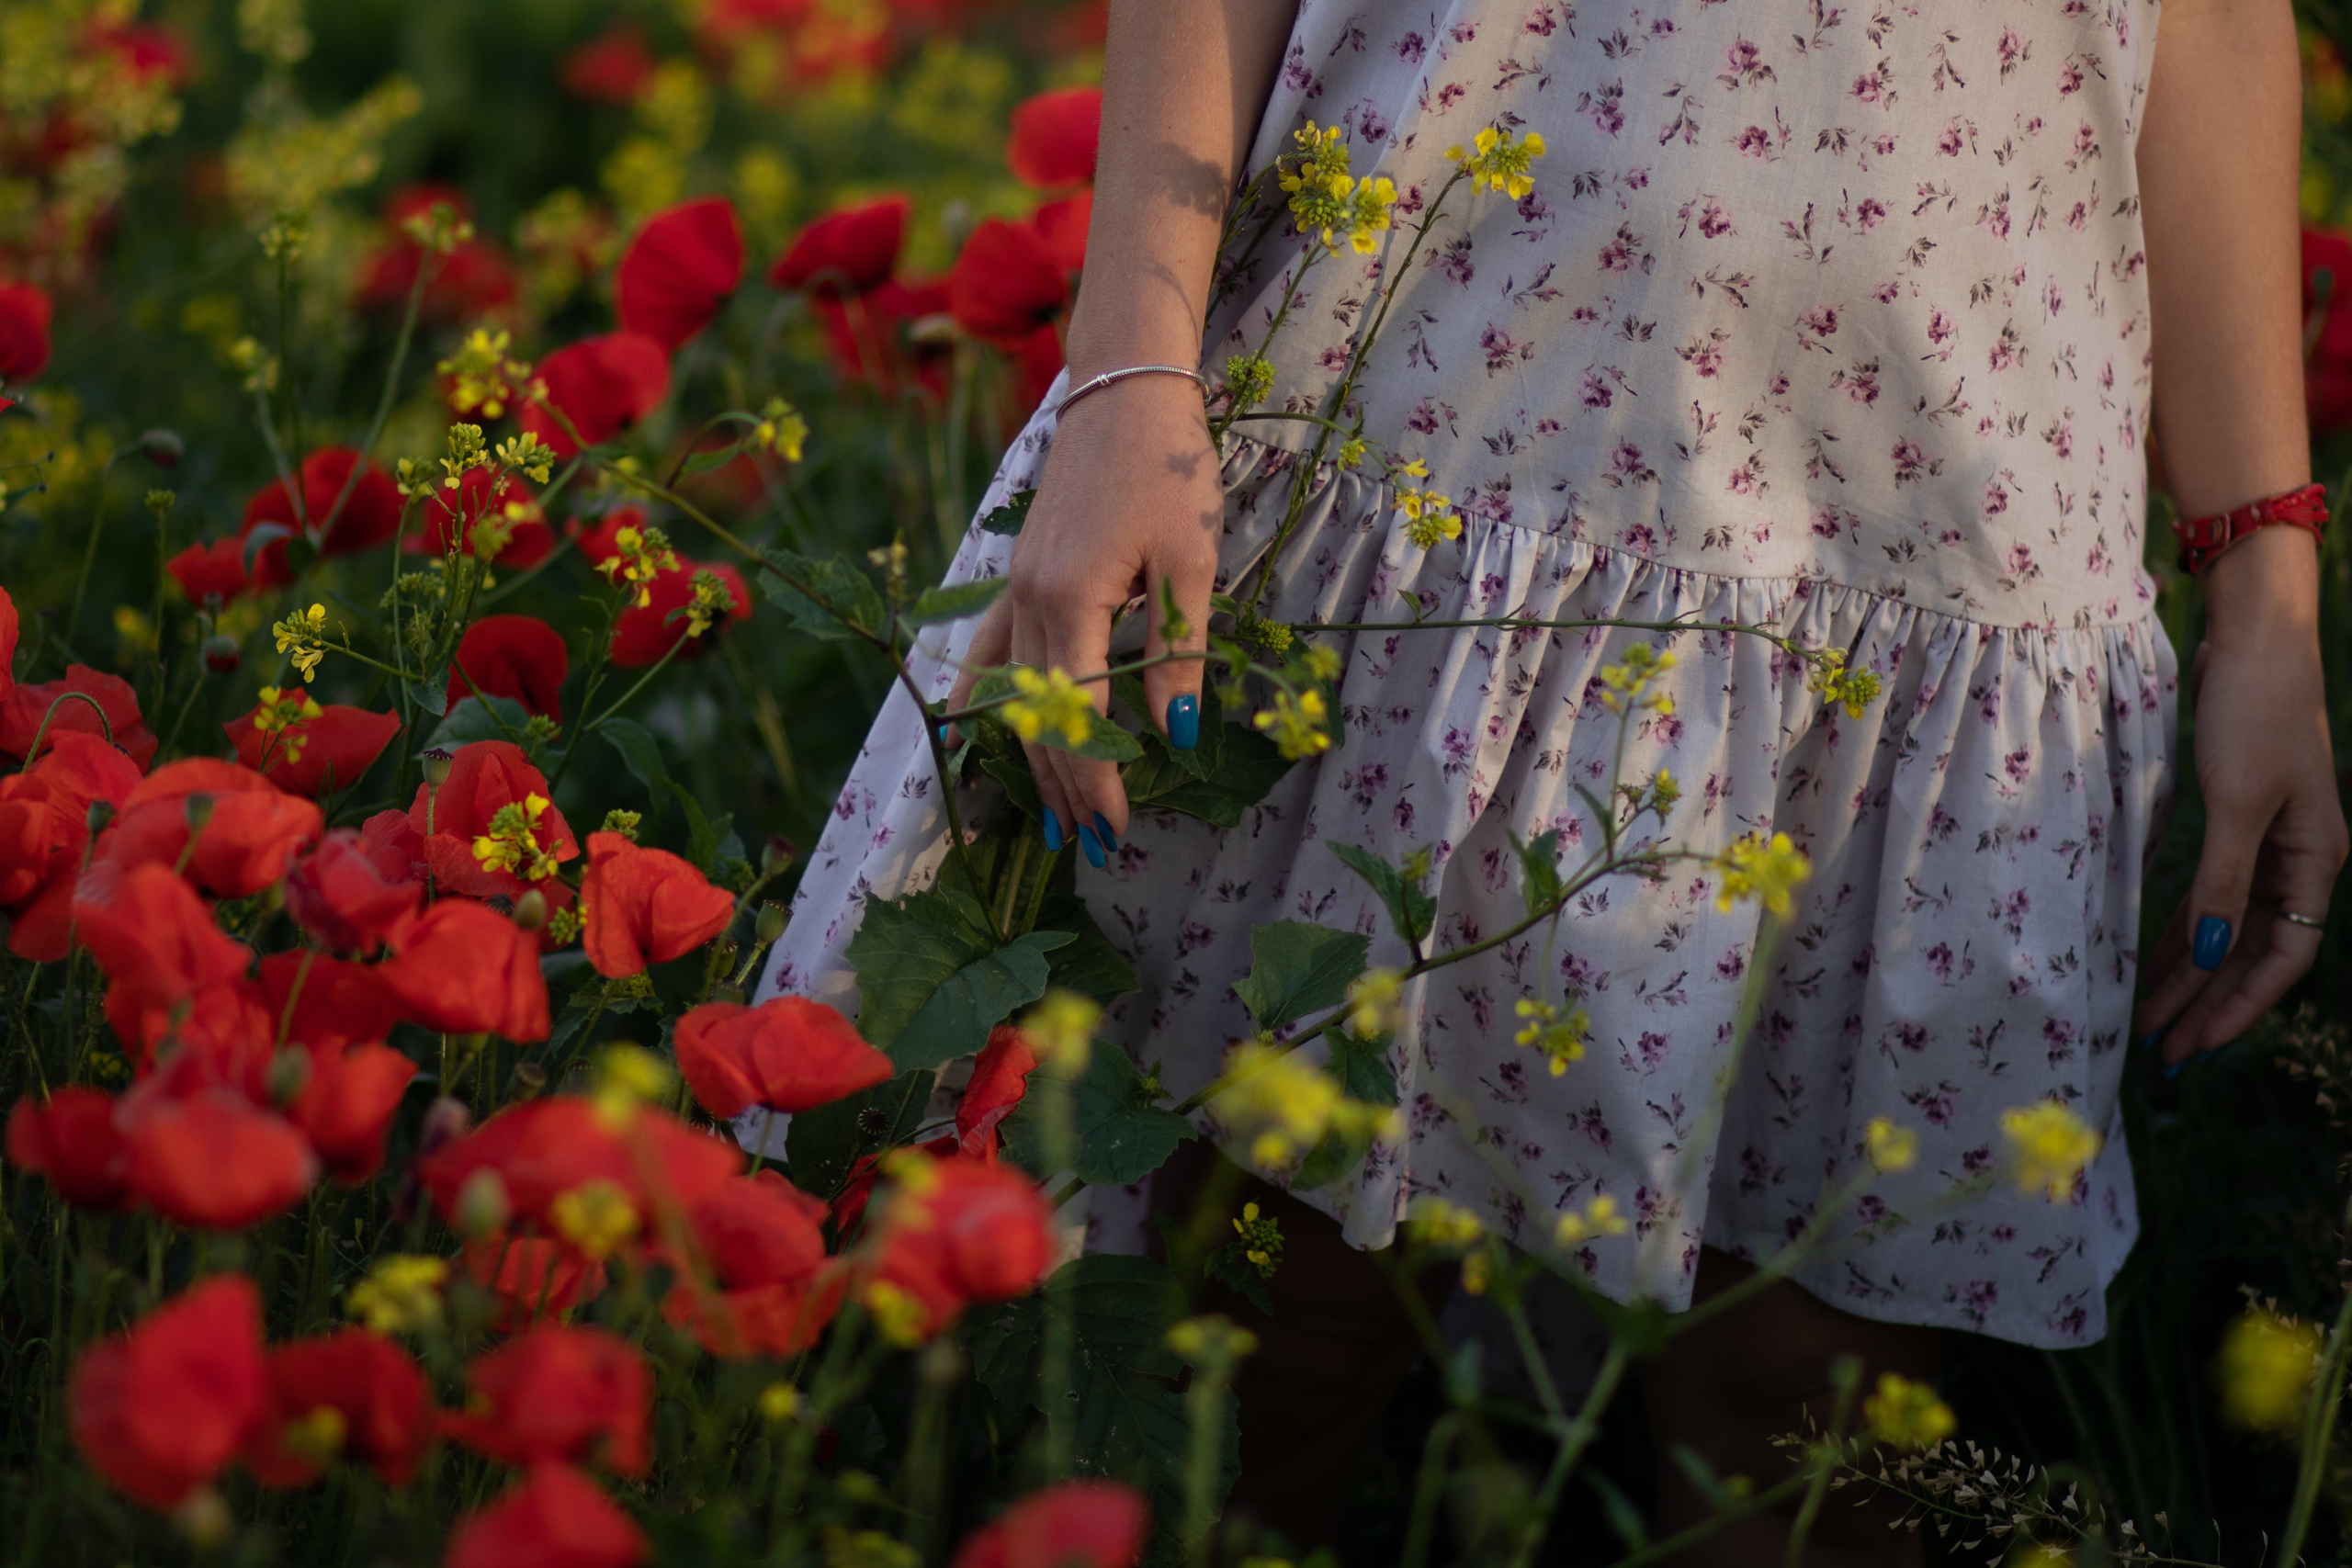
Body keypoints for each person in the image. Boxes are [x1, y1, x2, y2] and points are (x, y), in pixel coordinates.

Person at [763, 0, 2346, 1559]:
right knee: (1267, 1344)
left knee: (1802, 1439)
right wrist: (1127, 371)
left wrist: (2267, 589)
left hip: (1960, 510)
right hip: (1444, 431)